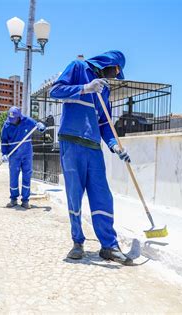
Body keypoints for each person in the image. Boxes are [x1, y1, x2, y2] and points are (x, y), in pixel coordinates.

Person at [50, 50, 133, 265]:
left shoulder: (104, 91)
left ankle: (109, 246)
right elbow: (56, 91)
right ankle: (77, 243)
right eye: (116, 72)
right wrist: (85, 88)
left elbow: (105, 124)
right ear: (111, 64)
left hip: (93, 147)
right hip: (71, 142)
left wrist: (115, 146)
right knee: (74, 195)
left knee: (102, 196)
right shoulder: (77, 68)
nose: (114, 77)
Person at [1, 106, 46, 209]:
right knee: (13, 177)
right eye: (10, 119)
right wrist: (4, 153)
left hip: (27, 154)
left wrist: (41, 126)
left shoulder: (27, 121)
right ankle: (13, 199)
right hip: (14, 155)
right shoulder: (7, 125)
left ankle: (25, 200)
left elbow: (39, 127)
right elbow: (4, 140)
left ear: (19, 116)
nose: (12, 121)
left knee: (27, 176)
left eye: (14, 119)